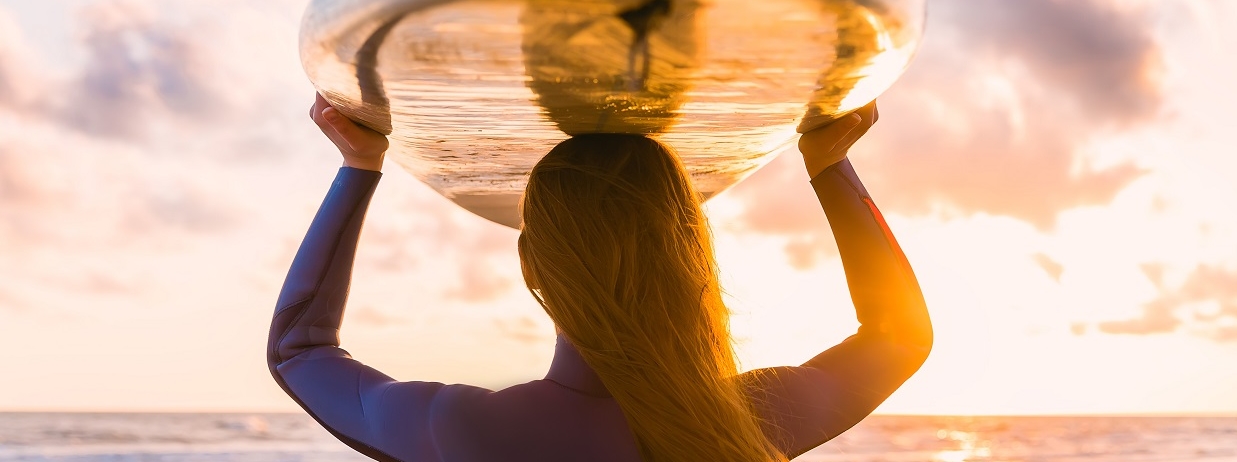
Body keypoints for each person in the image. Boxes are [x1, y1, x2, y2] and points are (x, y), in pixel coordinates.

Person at [268, 93, 932, 462]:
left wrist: (360, 163)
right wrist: (828, 161)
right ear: (694, 254)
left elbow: (299, 350)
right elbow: (899, 336)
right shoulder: (754, 421)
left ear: (532, 264)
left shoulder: (465, 431)